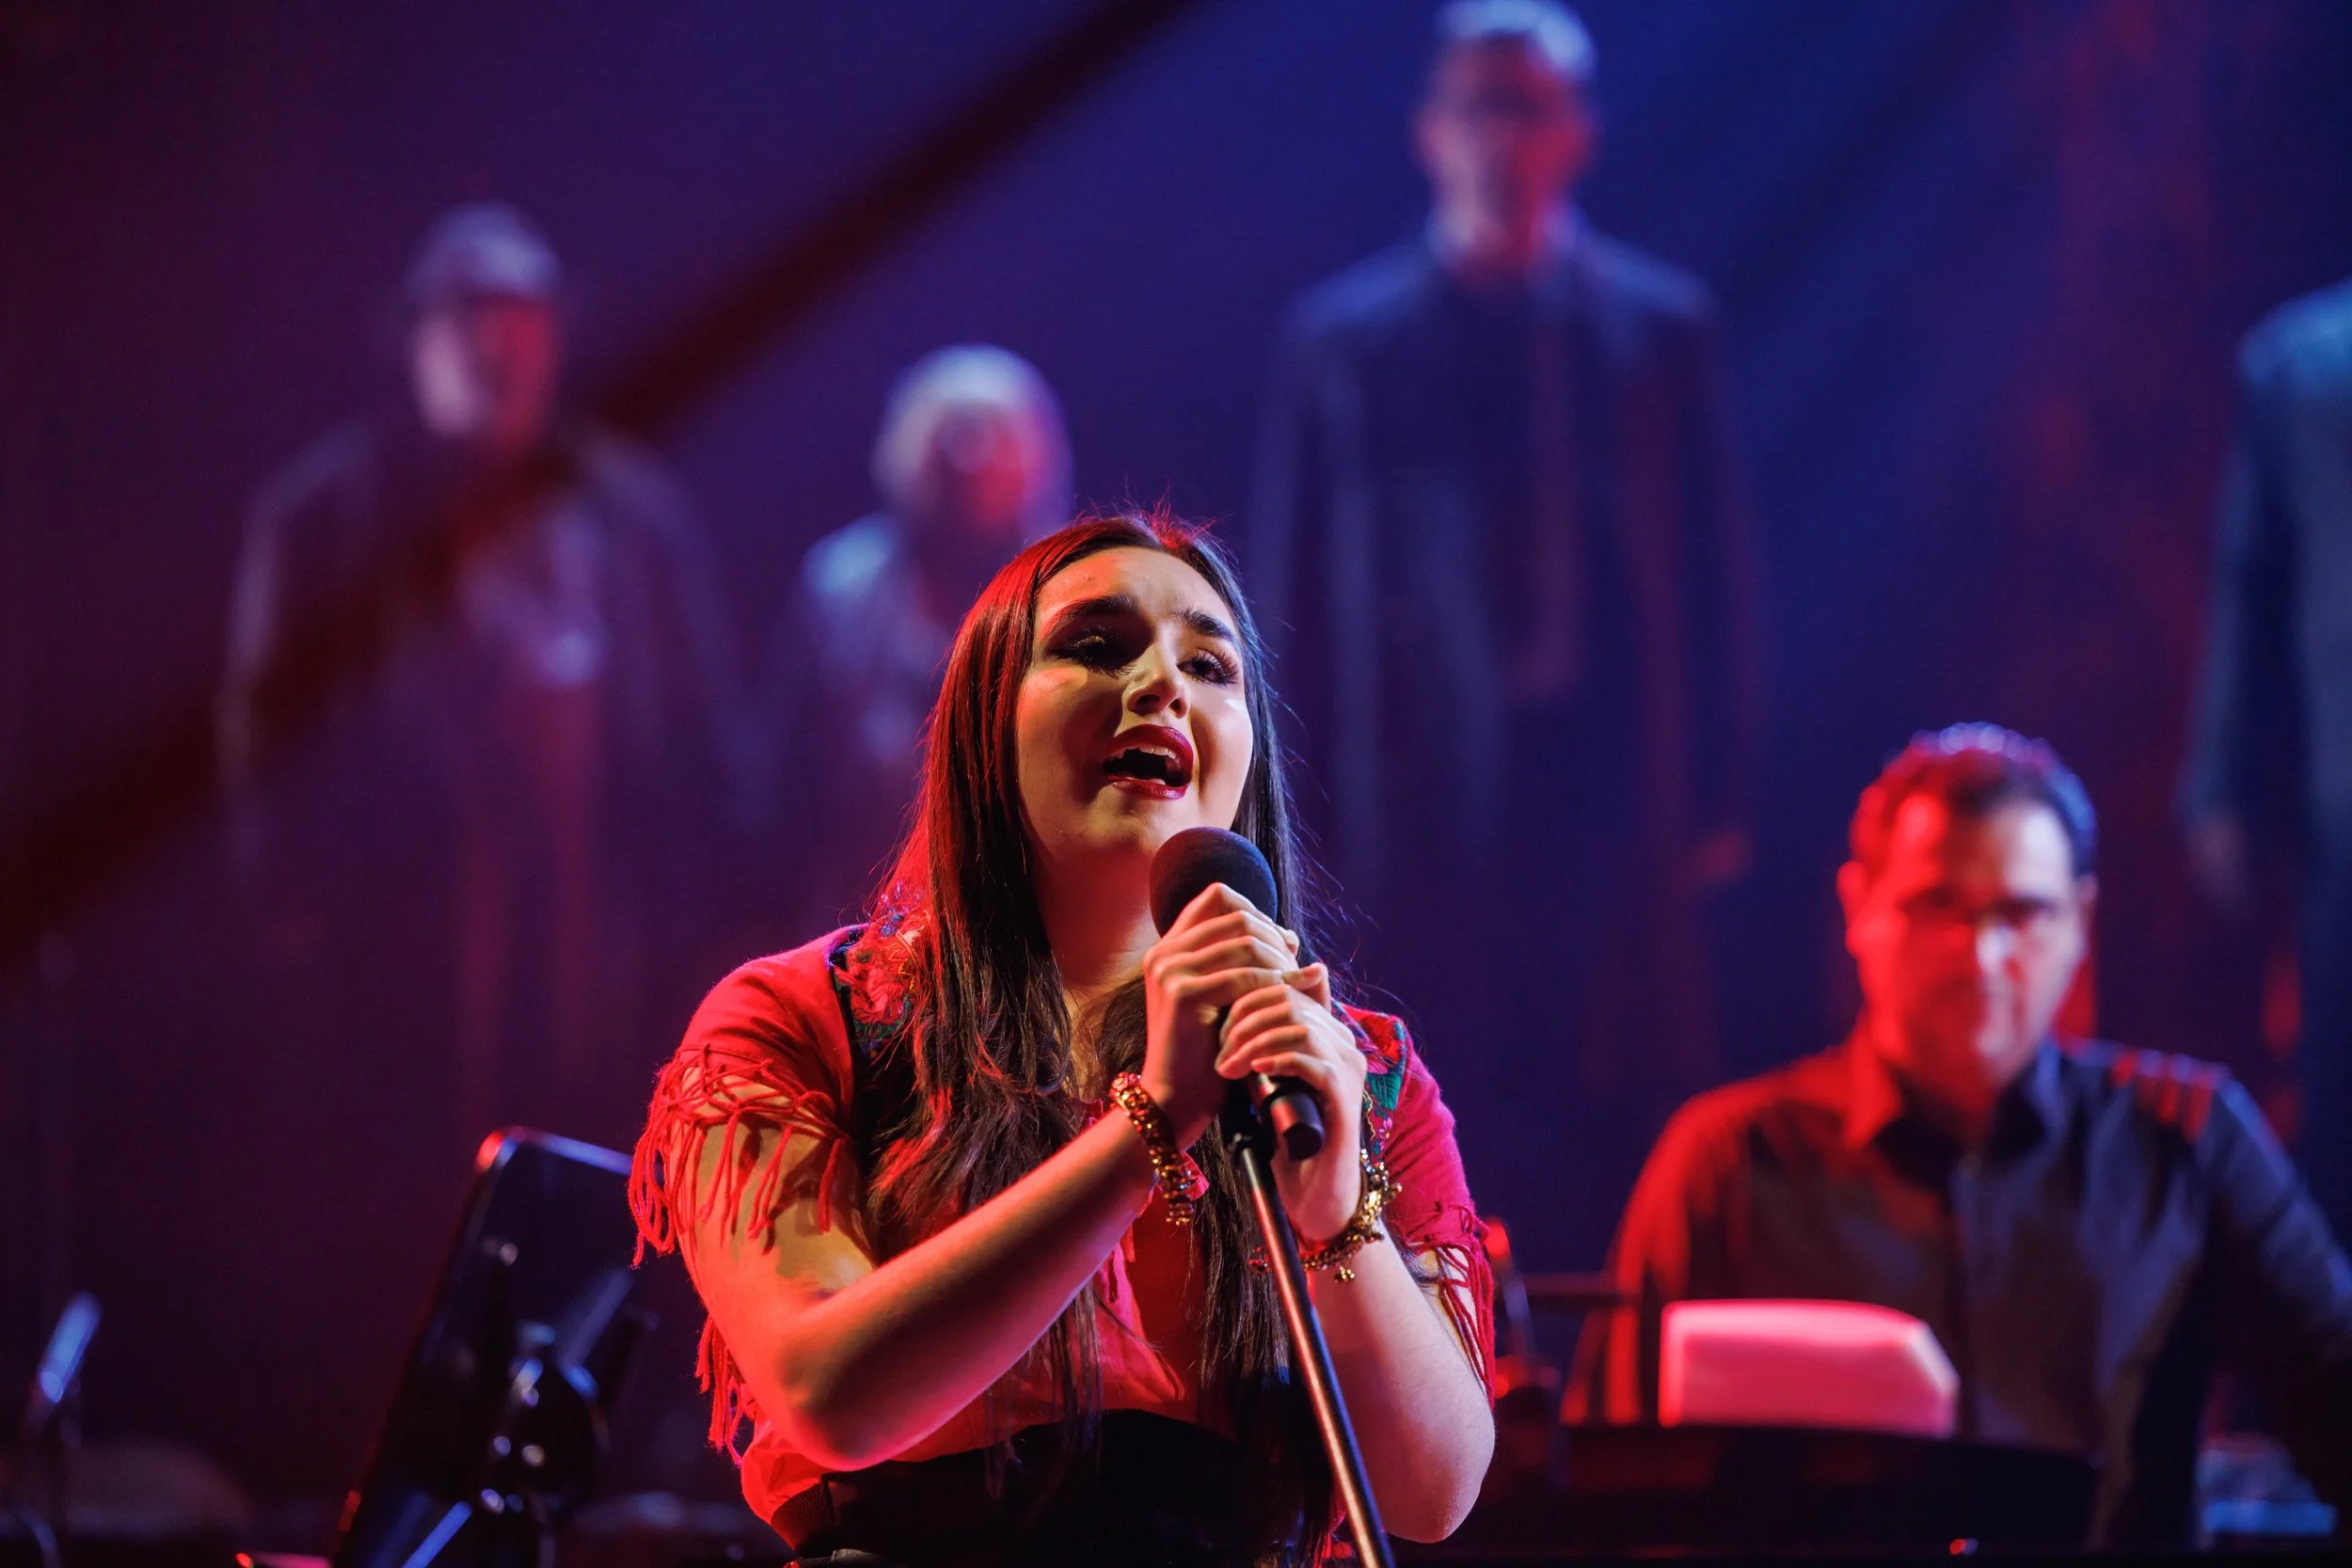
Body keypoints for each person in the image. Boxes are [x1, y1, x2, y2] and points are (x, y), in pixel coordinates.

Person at [632, 515, 1494, 1565]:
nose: (1163, 685)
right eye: (1097, 644)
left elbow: (1432, 1489)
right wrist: (1150, 1128)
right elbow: (830, 1392)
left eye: (1210, 664)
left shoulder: (1349, 1071)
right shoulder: (804, 1016)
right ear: (986, 722)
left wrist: (1332, 1219)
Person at [1247, 0, 1759, 1270]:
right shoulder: (1346, 346)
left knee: (1612, 1100)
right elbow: (1292, 594)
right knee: (1429, 1091)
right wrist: (1289, 813)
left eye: (1530, 107)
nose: (1504, 139)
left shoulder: (1656, 333)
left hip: (1606, 793)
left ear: (1578, 131)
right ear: (1430, 131)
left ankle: (1604, 1401)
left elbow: (1714, 577)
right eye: (1481, 105)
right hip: (1410, 808)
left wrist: (1719, 791)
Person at [1569, 725, 2352, 1546]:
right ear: (1857, 907)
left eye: (2020, 912)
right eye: (1936, 905)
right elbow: (1608, 1504)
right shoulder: (1729, 1160)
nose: (1978, 956)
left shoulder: (2189, 1139)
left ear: (2081, 921)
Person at [219, 201, 748, 1144]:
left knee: (579, 1159)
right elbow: (267, 723)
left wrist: (689, 915)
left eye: (518, 320)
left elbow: (694, 729)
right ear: (415, 342)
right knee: (404, 1176)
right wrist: (289, 894)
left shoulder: (633, 522)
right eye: (464, 320)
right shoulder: (327, 519)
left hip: (591, 936)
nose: (492, 349)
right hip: (396, 933)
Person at [767, 344, 1072, 934]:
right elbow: (788, 775)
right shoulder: (842, 586)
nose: (970, 457)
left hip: (1023, 914)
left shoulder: (1071, 589)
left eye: (993, 433)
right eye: (951, 431)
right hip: (854, 908)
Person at [2182, 277, 2352, 1248]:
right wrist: (2215, 781)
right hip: (2344, 806)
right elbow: (2244, 577)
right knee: (2335, 1111)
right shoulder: (2297, 363)